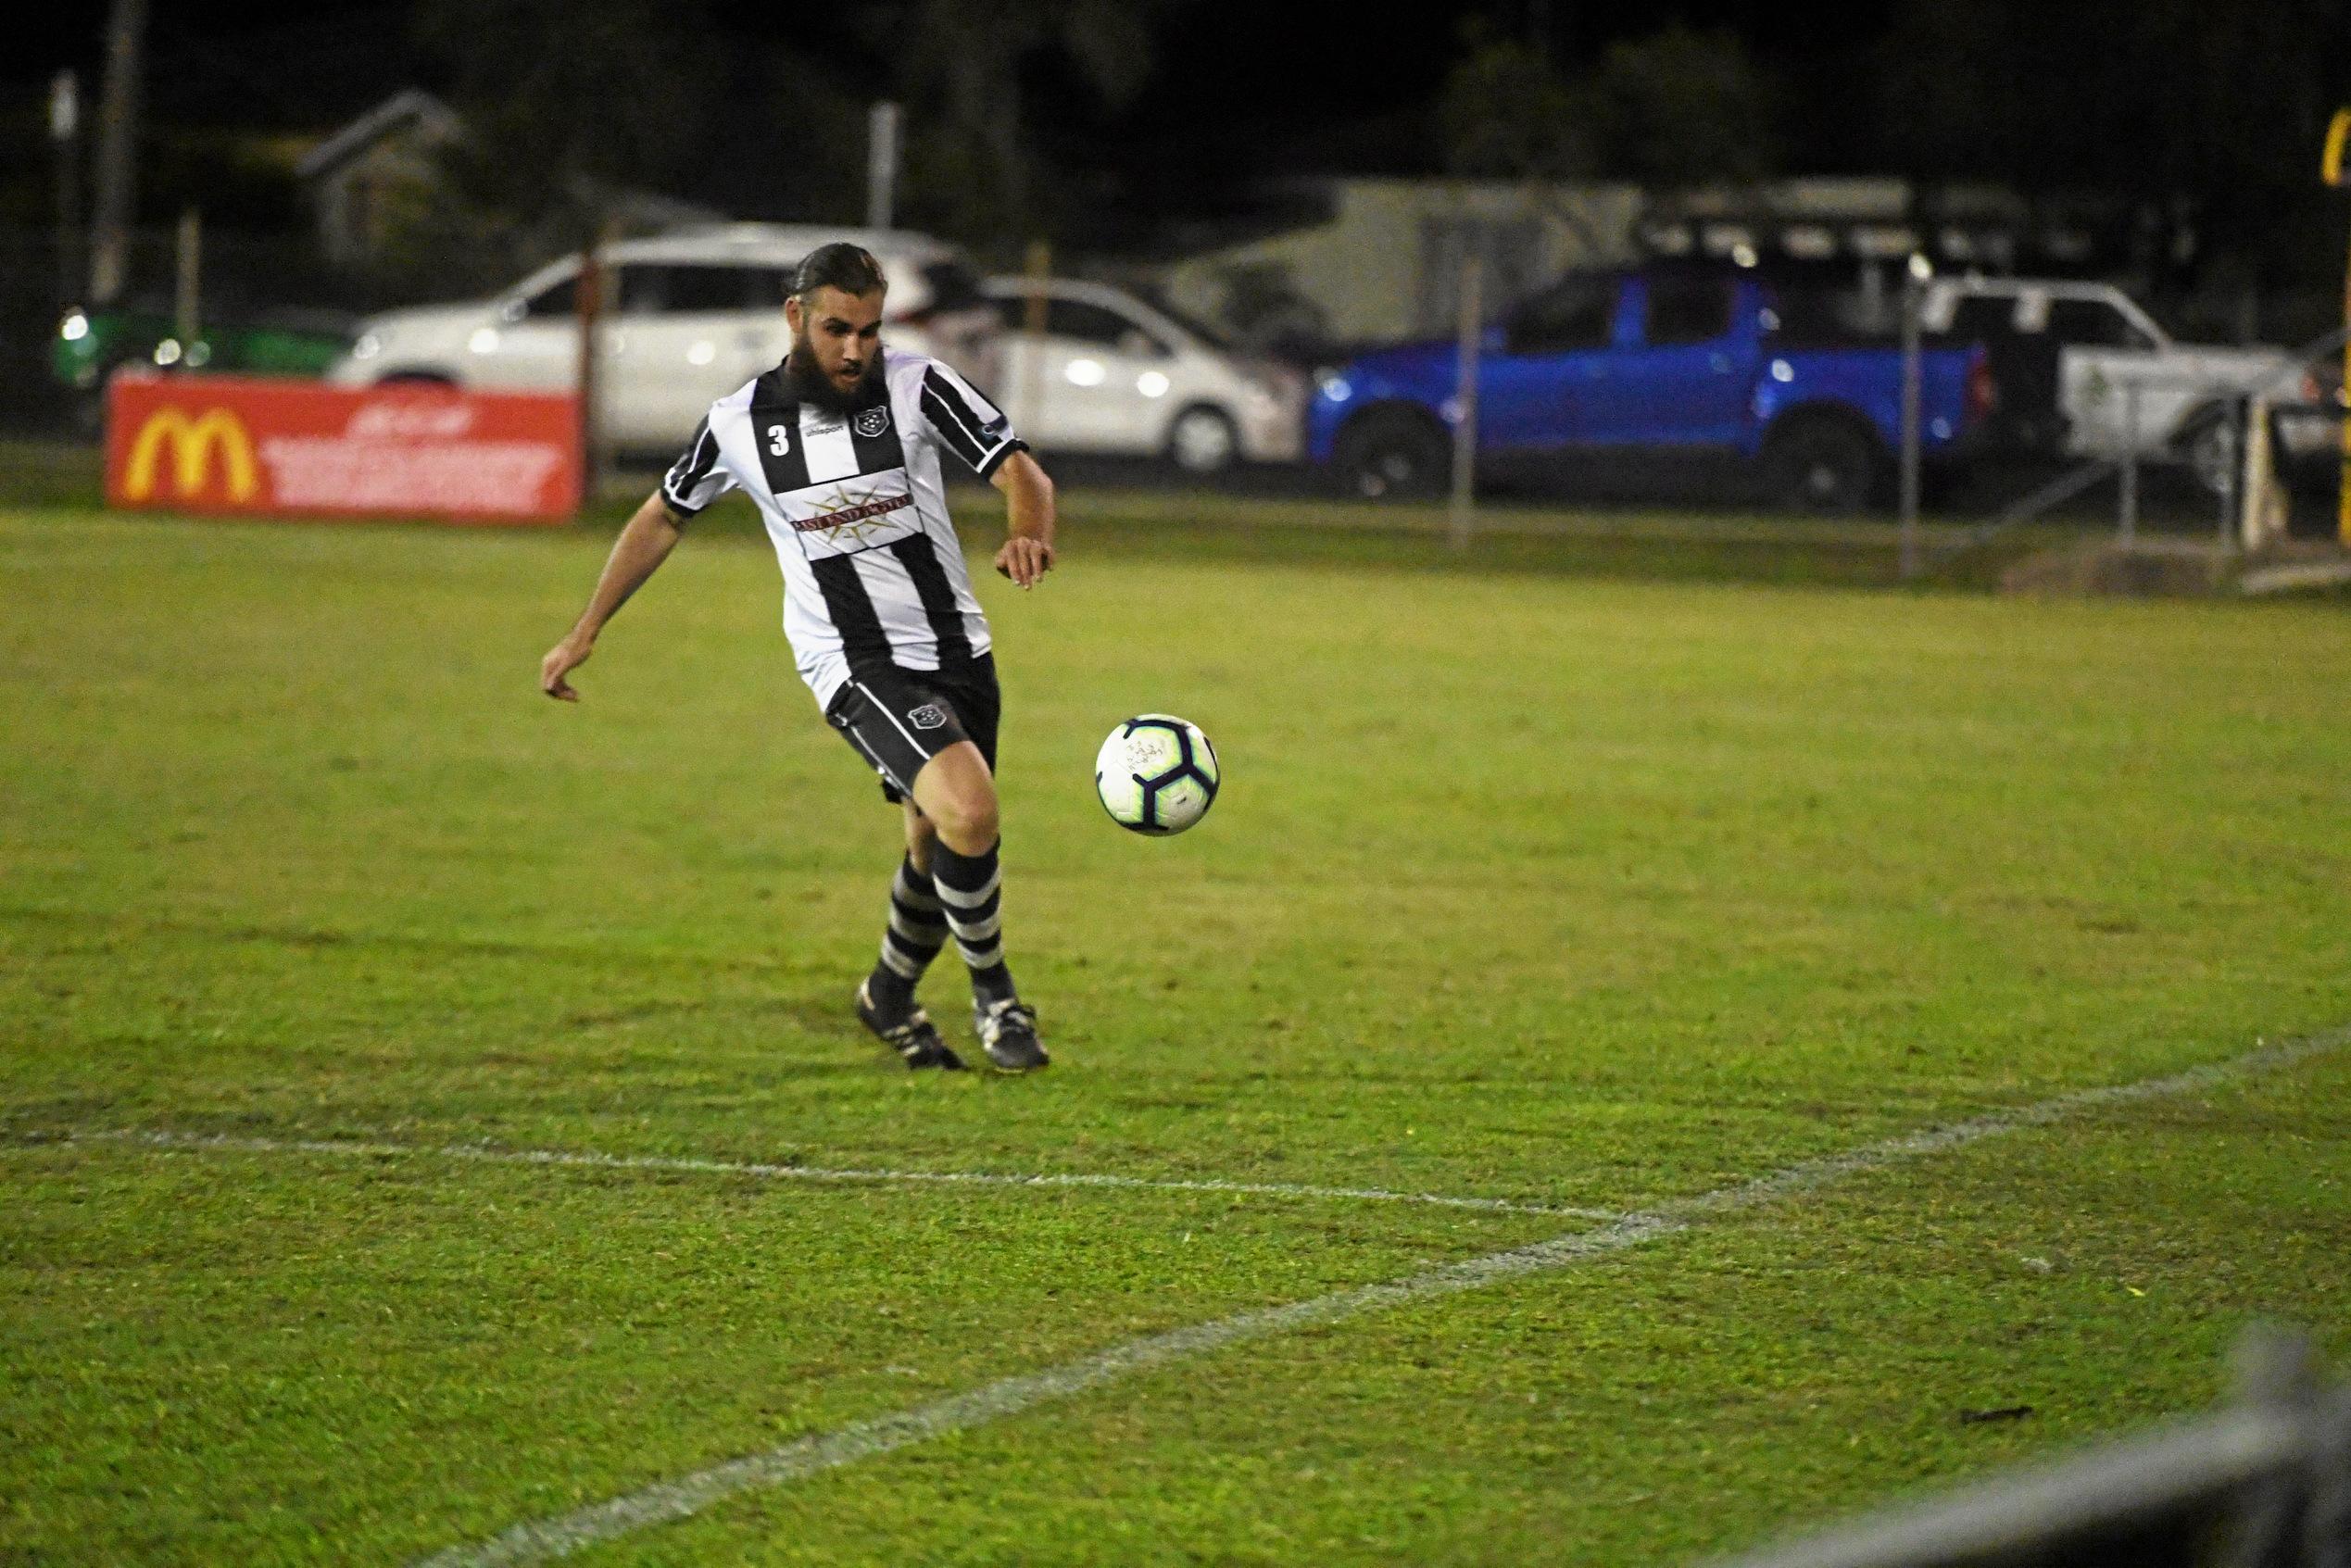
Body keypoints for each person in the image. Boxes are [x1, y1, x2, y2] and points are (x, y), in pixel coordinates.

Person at [538, 242, 1058, 1073]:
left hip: (959, 650)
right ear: (796, 316)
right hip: (852, 662)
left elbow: (1022, 473)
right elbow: (664, 514)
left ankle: (888, 992)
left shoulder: (918, 385)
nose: (855, 349)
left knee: (937, 844)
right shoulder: (739, 423)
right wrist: (585, 627)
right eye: (836, 329)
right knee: (971, 810)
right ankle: (997, 998)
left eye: (869, 331)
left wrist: (1028, 532)